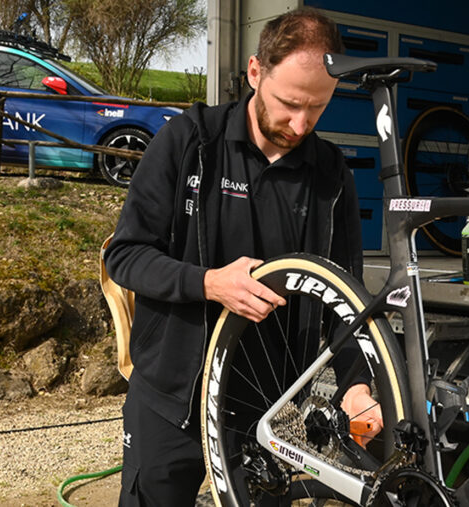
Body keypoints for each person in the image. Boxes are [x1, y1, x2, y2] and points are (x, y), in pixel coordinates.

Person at [104, 8, 381, 505]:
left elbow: (346, 300)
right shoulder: (191, 143)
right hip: (172, 396)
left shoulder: (330, 174)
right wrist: (208, 283)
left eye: (317, 108)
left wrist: (356, 385)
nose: (300, 123)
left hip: (267, 407)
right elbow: (124, 256)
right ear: (255, 72)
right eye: (289, 103)